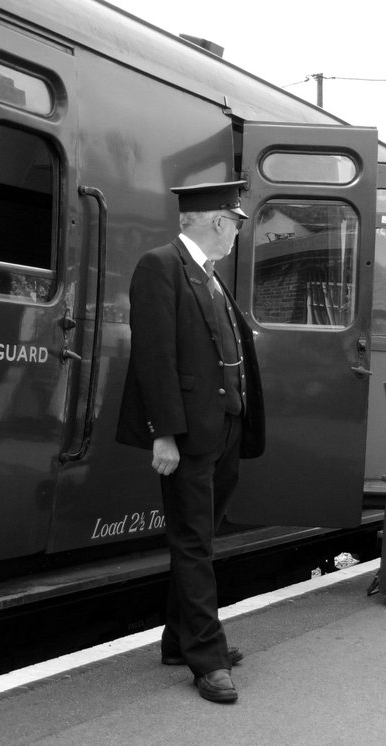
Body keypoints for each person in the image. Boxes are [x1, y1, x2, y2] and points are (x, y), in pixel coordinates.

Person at [116, 180, 265, 703]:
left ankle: (178, 640)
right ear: (218, 221)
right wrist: (164, 436)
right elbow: (154, 359)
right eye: (237, 221)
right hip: (189, 436)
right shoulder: (161, 266)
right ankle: (207, 657)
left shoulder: (210, 277)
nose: (238, 231)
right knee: (194, 543)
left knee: (200, 537)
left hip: (223, 430)